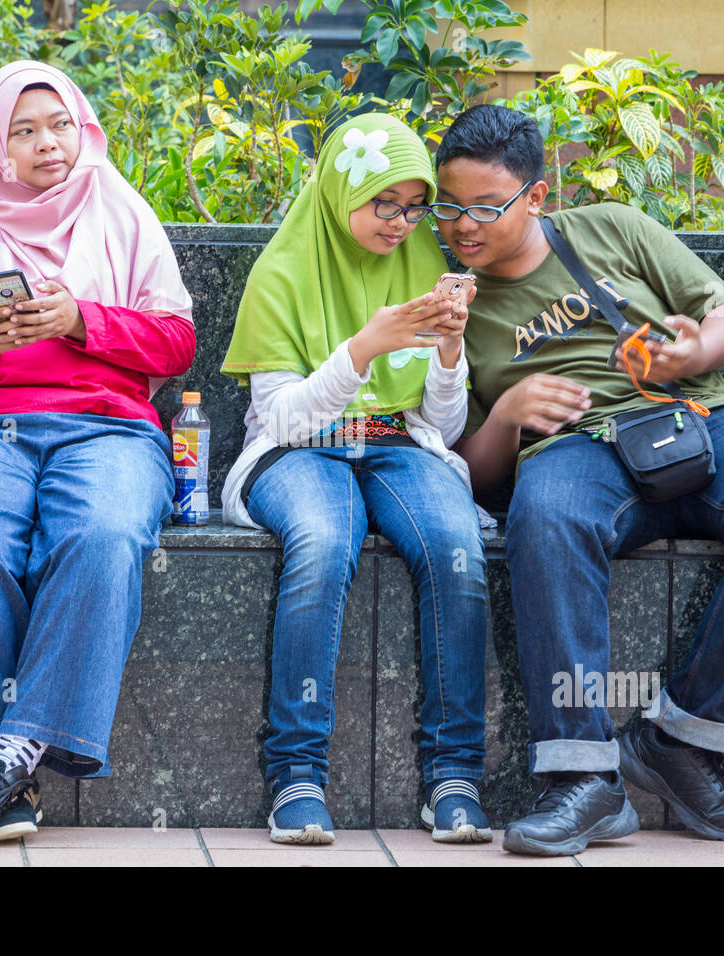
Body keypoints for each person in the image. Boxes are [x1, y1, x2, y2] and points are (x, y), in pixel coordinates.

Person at [433, 104, 724, 856]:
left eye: (487, 207)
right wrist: (510, 414)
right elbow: (469, 472)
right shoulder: (452, 301)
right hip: (577, 447)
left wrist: (690, 356)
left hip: (701, 410)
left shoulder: (610, 228)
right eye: (449, 205)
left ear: (537, 197)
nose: (465, 226)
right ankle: (583, 780)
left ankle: (680, 741)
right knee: (545, 521)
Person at [0, 60, 195, 850]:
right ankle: (3, 764)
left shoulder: (123, 215)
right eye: (24, 131)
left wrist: (81, 321)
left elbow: (178, 341)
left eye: (59, 125)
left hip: (107, 429)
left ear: (82, 128)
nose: (48, 144)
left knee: (103, 534)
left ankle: (2, 753)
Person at [220, 113, 494, 845]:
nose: (402, 222)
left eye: (414, 206)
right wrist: (363, 349)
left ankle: (454, 774)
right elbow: (281, 422)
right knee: (320, 543)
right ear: (343, 190)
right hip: (300, 450)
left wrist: (449, 348)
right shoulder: (282, 271)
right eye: (385, 203)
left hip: (399, 443)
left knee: (456, 546)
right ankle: (297, 776)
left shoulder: (421, 261)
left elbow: (446, 417)